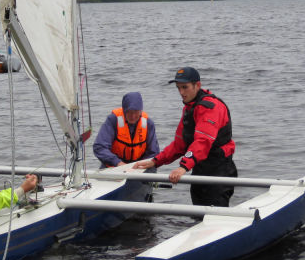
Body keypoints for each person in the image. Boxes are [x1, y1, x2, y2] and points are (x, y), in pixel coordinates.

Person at [133, 67, 237, 207]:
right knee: (199, 213)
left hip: (219, 170)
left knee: (214, 215)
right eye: (178, 88)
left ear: (197, 85)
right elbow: (179, 144)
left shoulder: (211, 108)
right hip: (200, 169)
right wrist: (155, 161)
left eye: (185, 87)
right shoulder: (190, 108)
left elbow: (203, 141)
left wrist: (183, 167)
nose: (181, 92)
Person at [93, 92, 159, 167]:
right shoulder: (113, 120)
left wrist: (140, 166)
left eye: (136, 112)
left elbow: (153, 152)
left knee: (151, 169)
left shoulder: (148, 124)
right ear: (124, 110)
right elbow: (99, 147)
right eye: (129, 112)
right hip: (114, 166)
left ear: (141, 111)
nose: (133, 116)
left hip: (139, 167)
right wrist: (117, 163)